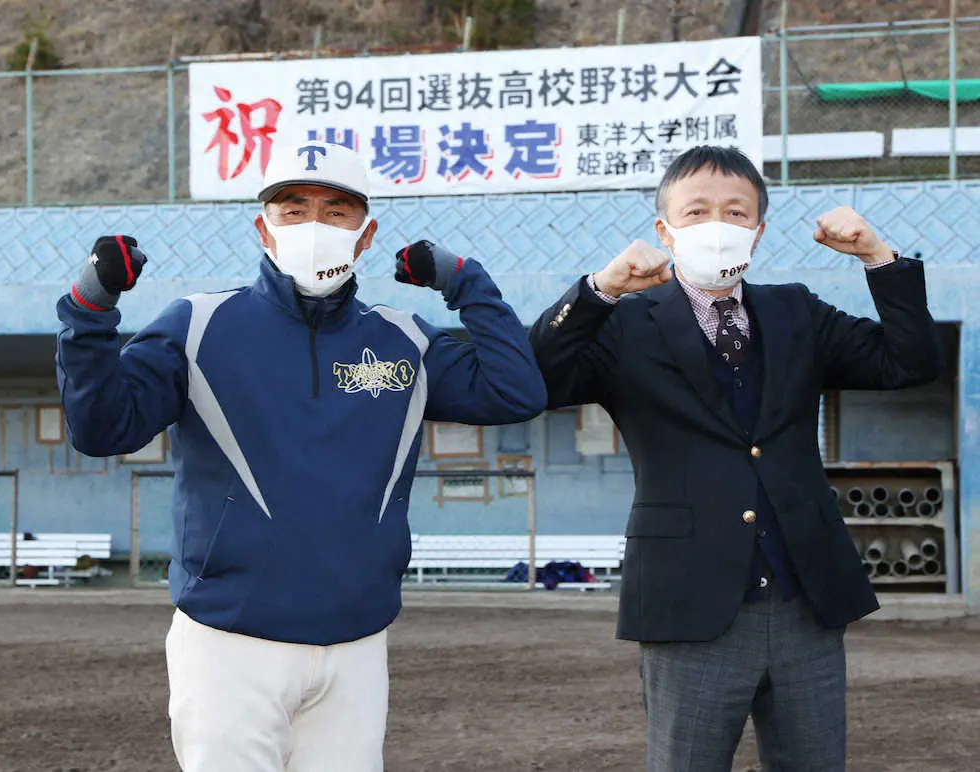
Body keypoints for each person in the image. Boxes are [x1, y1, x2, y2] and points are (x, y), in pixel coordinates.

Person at [55, 141, 546, 772]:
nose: (315, 224)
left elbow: (517, 390)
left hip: (357, 647)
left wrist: (464, 282)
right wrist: (91, 308)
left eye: (337, 211)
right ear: (264, 229)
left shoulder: (404, 340)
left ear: (366, 235)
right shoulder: (197, 326)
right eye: (293, 209)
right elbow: (102, 428)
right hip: (229, 646)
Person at [529, 145, 942, 771]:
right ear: (664, 230)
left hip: (807, 602)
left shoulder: (795, 310)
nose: (716, 225)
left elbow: (909, 361)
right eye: (695, 211)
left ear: (759, 229)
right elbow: (540, 378)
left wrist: (876, 258)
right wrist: (597, 291)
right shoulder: (625, 324)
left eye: (735, 211)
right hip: (688, 605)